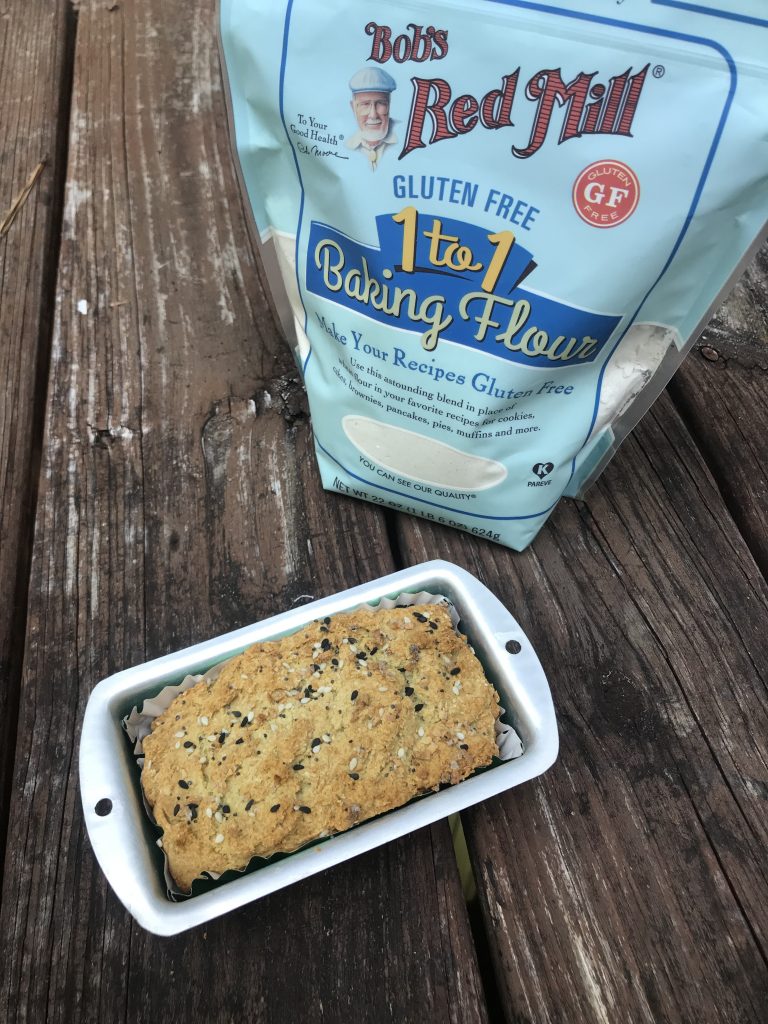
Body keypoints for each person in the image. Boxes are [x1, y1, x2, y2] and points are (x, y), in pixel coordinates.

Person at [345, 67, 398, 170]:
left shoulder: (405, 139)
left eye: (381, 103)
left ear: (389, 105)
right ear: (353, 108)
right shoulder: (347, 146)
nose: (373, 115)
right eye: (365, 104)